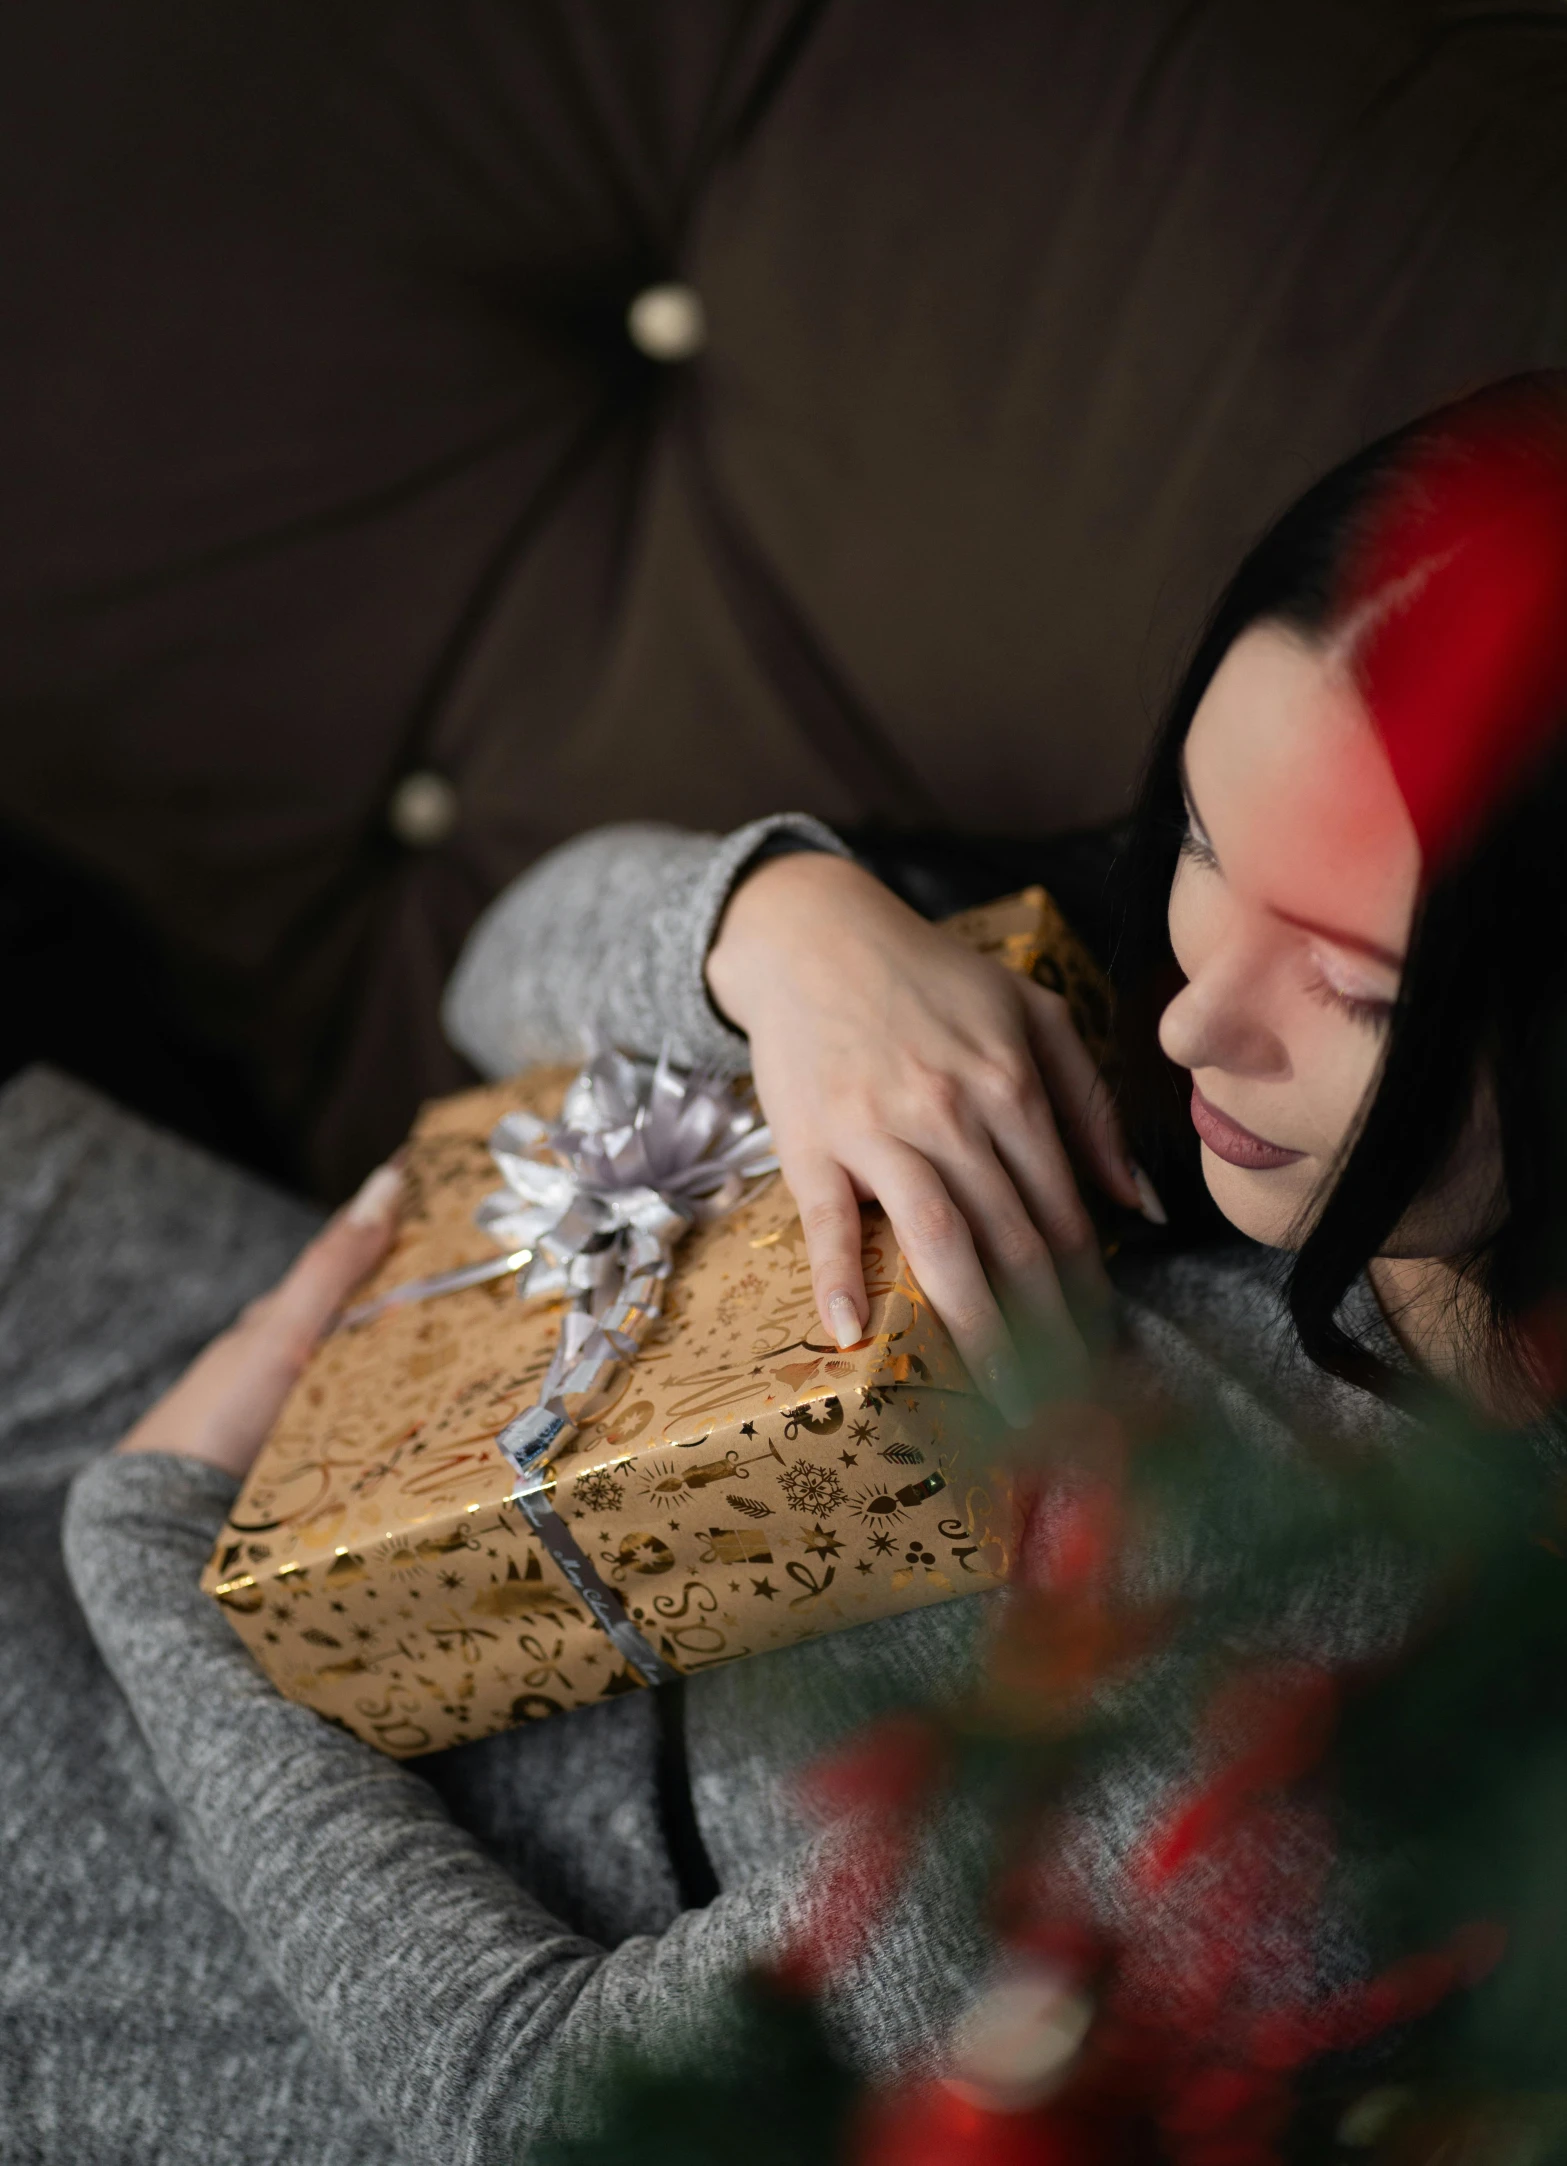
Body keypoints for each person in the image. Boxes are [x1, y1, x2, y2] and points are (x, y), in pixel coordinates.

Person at [8, 373, 1564, 2163]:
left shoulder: (1348, 1717)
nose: (1197, 1005)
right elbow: (495, 974)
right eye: (1207, 840)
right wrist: (785, 935)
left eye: (1354, 983)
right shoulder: (1166, 1033)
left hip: (324, 1859)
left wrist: (154, 1565)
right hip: (369, 1376)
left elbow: (550, 2108)